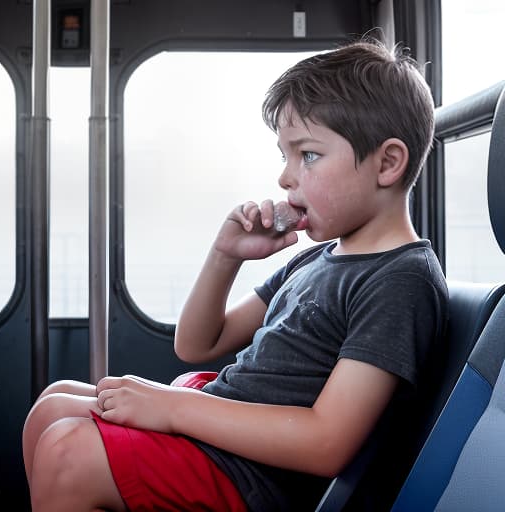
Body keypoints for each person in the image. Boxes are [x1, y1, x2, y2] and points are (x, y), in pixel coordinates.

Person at [23, 39, 448, 512]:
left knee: (67, 451)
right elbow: (197, 344)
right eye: (285, 156)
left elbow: (327, 442)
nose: (285, 177)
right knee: (53, 404)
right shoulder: (316, 259)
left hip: (252, 478)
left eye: (307, 155)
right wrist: (226, 256)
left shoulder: (400, 279)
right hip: (220, 432)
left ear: (387, 163)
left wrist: (172, 409)